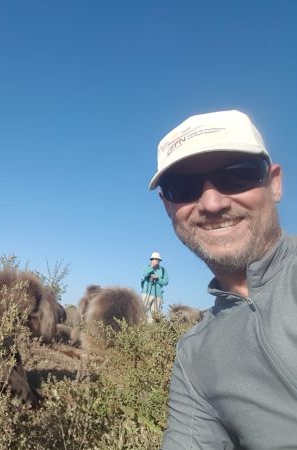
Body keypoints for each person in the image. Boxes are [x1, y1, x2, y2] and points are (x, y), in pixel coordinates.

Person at [151, 110, 296, 449]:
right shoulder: (194, 356)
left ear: (274, 183)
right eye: (183, 187)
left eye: (237, 176)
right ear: (167, 206)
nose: (212, 203)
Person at [140, 251, 169, 322]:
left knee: (155, 315)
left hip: (158, 295)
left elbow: (166, 282)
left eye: (157, 259)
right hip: (146, 293)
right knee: (143, 311)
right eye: (153, 259)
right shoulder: (146, 267)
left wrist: (157, 278)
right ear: (151, 260)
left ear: (159, 261)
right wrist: (151, 267)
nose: (155, 260)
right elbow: (144, 274)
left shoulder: (163, 270)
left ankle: (152, 328)